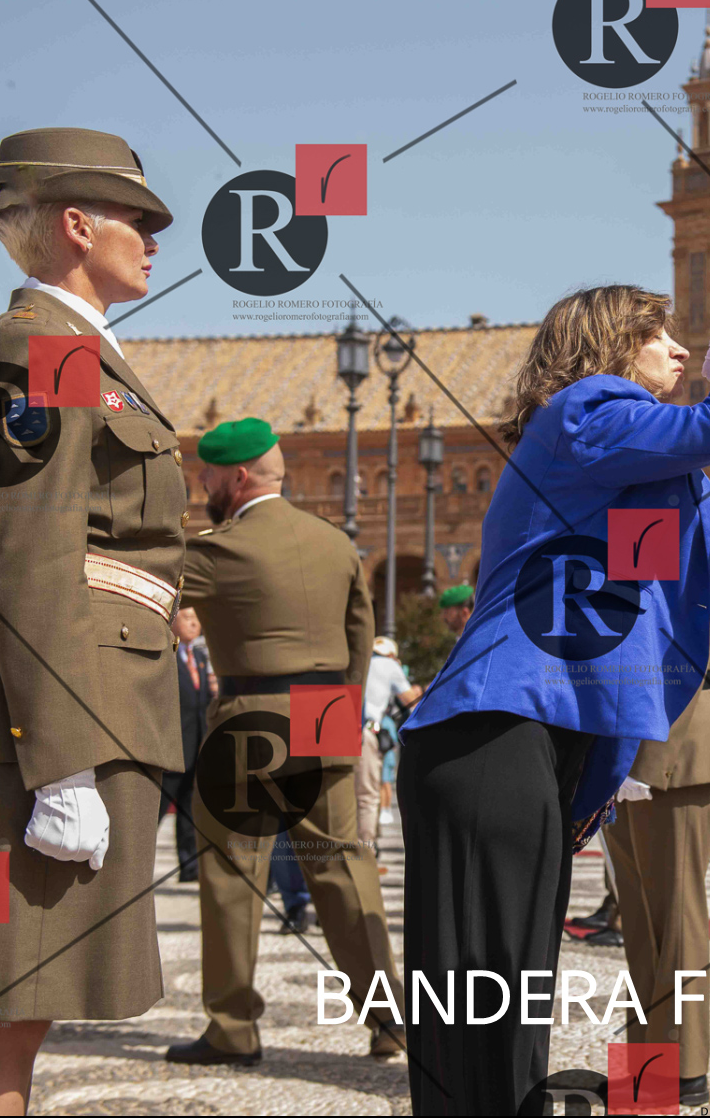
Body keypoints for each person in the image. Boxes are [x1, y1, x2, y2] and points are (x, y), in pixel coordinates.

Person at [398, 285, 710, 1114]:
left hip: (520, 740)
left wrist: (597, 778)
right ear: (609, 347)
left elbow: (636, 627)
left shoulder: (612, 468)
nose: (680, 349)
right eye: (659, 335)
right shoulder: (585, 408)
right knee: (489, 1006)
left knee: (501, 1003)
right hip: (491, 730)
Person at [0, 128, 187, 1115]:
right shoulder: (40, 349)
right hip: (45, 735)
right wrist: (62, 768)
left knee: (19, 1008)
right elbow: (27, 554)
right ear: (76, 225)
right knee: (6, 1007)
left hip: (83, 712)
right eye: (137, 218)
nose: (154, 238)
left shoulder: (78, 352)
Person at [169, 417, 401, 1065]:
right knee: (343, 865)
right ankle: (390, 1022)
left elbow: (147, 590)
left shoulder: (220, 549)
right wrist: (342, 716)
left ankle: (233, 1029)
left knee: (233, 871)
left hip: (252, 713)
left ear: (238, 477)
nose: (204, 486)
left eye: (208, 476)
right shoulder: (335, 542)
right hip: (327, 711)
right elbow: (360, 634)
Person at [602, 576, 710, 1109]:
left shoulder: (687, 564)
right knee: (639, 920)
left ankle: (686, 1067)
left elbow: (681, 664)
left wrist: (646, 759)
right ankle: (647, 1062)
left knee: (676, 915)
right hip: (621, 752)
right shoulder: (622, 564)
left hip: (674, 753)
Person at [361, 635, 422, 852]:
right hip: (365, 731)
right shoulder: (389, 665)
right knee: (367, 797)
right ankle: (365, 854)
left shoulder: (360, 661)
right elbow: (412, 703)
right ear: (391, 655)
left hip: (334, 728)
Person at [168, 607, 214, 882]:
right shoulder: (166, 656)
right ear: (173, 621)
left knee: (188, 810)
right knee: (156, 810)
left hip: (195, 749)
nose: (194, 624)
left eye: (197, 619)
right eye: (187, 618)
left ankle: (189, 867)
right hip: (172, 749)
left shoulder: (199, 657)